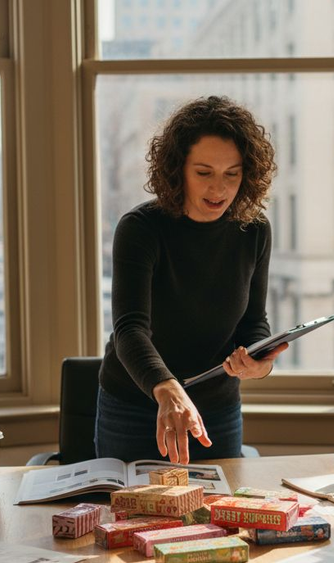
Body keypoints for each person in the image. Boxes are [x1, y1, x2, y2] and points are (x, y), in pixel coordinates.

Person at [96, 96, 285, 464]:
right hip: (134, 406)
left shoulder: (255, 229)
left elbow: (253, 322)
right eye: (204, 172)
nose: (219, 189)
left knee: (217, 516)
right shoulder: (140, 229)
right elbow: (130, 328)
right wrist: (167, 389)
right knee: (126, 517)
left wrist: (261, 361)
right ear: (177, 169)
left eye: (232, 173)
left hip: (215, 409)